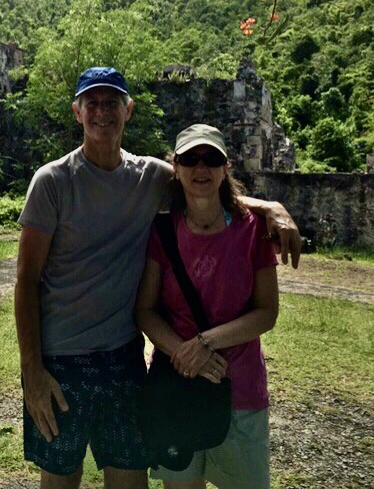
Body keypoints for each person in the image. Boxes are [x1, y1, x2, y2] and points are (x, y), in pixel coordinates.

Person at [15, 67, 300, 489]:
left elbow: (206, 186)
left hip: (123, 357)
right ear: (77, 112)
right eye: (92, 103)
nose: (102, 112)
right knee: (59, 480)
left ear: (128, 110)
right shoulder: (52, 181)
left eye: (112, 102)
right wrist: (32, 371)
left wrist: (271, 207)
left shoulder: (149, 176)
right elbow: (26, 281)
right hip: (62, 359)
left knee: (130, 480)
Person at [135, 123, 280, 489]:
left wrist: (205, 344)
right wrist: (184, 354)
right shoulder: (163, 231)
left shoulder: (252, 231)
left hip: (238, 387)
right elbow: (146, 310)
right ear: (176, 167)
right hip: (178, 384)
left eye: (211, 159)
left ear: (225, 167)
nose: (201, 168)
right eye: (190, 159)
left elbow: (267, 311)